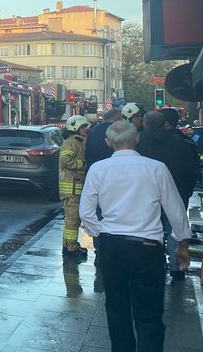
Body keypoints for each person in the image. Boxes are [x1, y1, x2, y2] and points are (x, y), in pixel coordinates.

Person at [80, 120, 191, 352]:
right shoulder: (156, 168)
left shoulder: (98, 169)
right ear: (136, 139)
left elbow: (86, 212)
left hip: (111, 246)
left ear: (108, 143)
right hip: (147, 248)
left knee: (117, 308)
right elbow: (175, 210)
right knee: (149, 312)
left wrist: (98, 232)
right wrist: (182, 244)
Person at [136, 111, 199, 281]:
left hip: (146, 194)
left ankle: (152, 262)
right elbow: (192, 166)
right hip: (176, 192)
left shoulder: (138, 141)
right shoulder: (180, 141)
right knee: (174, 229)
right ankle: (176, 267)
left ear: (145, 124)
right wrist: (188, 188)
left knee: (149, 228)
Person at [60, 114, 89, 259]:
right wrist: (82, 165)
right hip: (71, 188)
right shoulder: (71, 142)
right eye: (83, 127)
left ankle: (70, 245)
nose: (86, 129)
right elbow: (65, 160)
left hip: (76, 187)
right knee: (72, 220)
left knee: (75, 219)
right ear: (75, 128)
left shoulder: (79, 141)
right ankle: (70, 248)